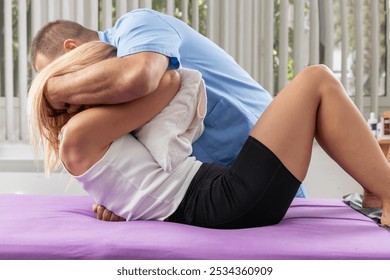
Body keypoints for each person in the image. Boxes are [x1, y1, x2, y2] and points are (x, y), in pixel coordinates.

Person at [29, 41, 390, 229]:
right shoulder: (80, 132)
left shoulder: (79, 137)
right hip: (226, 199)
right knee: (316, 79)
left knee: (315, 89)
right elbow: (167, 80)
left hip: (223, 197)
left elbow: (133, 187)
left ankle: (378, 191)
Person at [30, 8, 307, 201]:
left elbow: (141, 76)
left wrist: (51, 89)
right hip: (221, 190)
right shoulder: (105, 102)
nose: (68, 102)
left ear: (71, 49)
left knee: (315, 81)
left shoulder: (137, 26)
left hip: (267, 154)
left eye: (56, 73)